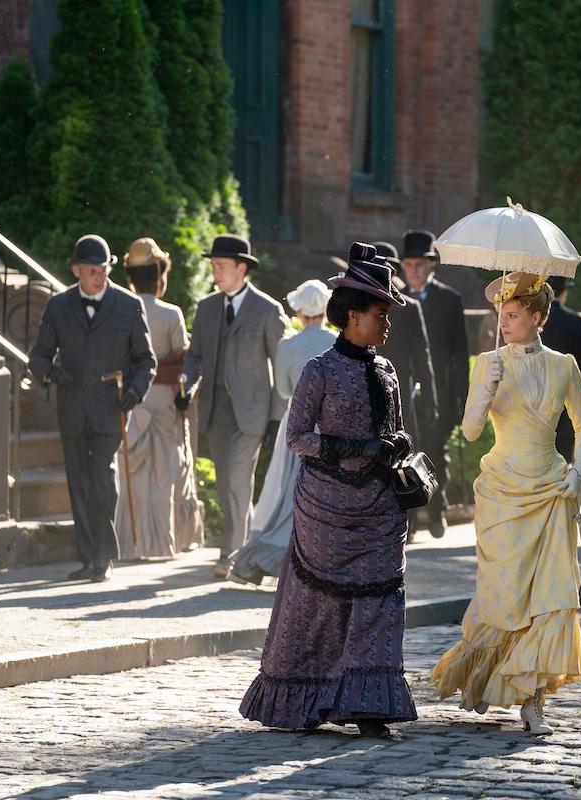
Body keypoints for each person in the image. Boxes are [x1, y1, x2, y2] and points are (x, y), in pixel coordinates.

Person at [240, 243, 417, 738]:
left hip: (380, 510)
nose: (387, 324)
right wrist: (356, 445)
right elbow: (297, 438)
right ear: (353, 316)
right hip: (327, 508)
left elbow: (396, 431)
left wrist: (396, 445)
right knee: (320, 606)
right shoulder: (318, 369)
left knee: (379, 605)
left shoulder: (386, 371)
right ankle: (307, 699)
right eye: (380, 314)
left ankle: (369, 707)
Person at [431, 272, 581, 736]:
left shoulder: (564, 365)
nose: (504, 323)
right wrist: (484, 389)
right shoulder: (488, 362)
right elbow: (470, 431)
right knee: (502, 592)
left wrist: (576, 474)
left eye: (514, 316)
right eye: (501, 316)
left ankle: (533, 701)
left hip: (550, 490)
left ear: (537, 318)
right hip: (502, 491)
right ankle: (483, 675)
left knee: (549, 597)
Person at [28, 234, 156, 582]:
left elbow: (146, 361)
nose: (99, 277)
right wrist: (49, 371)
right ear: (76, 271)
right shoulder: (58, 305)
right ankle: (87, 558)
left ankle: (103, 558)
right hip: (71, 407)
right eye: (91, 271)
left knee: (103, 477)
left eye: (103, 270)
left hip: (111, 408)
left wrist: (135, 391)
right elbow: (38, 355)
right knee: (79, 483)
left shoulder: (128, 305)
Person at [179, 235, 289, 579]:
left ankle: (232, 554)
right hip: (215, 409)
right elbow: (194, 356)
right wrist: (187, 383)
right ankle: (248, 547)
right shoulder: (206, 307)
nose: (215, 273)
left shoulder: (268, 310)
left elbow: (281, 364)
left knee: (238, 480)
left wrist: (276, 418)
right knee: (227, 482)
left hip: (252, 413)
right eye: (213, 266)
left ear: (242, 268)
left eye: (221, 266)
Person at [228, 279, 337, 586]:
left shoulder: (288, 346)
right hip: (329, 425)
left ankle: (275, 554)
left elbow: (284, 389)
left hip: (298, 423)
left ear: (300, 312)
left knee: (284, 490)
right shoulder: (337, 342)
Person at [115, 237, 203, 559]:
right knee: (165, 472)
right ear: (159, 275)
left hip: (131, 397)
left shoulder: (121, 308)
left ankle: (129, 543)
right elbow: (183, 360)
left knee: (131, 472)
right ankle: (164, 543)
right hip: (164, 398)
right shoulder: (171, 314)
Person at [401, 229, 468, 539]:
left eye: (420, 264)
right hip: (404, 393)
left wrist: (460, 399)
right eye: (409, 264)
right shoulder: (396, 299)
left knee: (435, 453)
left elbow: (460, 354)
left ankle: (437, 509)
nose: (414, 270)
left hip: (438, 392)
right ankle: (411, 522)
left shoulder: (449, 300)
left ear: (431, 266)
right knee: (405, 456)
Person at [374, 242, 441, 541]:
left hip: (400, 399)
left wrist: (430, 402)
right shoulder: (359, 304)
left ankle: (406, 525)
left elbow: (423, 358)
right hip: (365, 394)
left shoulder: (410, 308)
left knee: (402, 460)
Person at [541, 275, 581, 463]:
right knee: (563, 468)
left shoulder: (532, 320)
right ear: (564, 292)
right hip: (566, 408)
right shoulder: (575, 322)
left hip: (535, 406)